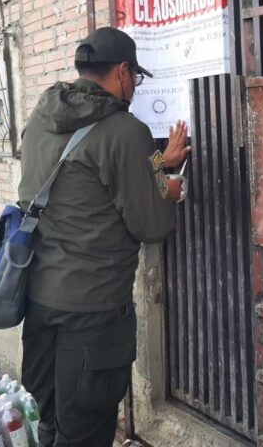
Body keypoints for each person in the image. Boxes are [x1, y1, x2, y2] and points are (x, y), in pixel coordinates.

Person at [18, 27, 191, 447]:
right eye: (136, 77)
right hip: (93, 316)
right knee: (86, 434)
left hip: (39, 305)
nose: (135, 86)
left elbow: (88, 180)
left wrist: (156, 162)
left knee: (52, 424)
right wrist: (172, 189)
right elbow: (151, 225)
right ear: (122, 71)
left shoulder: (41, 118)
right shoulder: (124, 129)